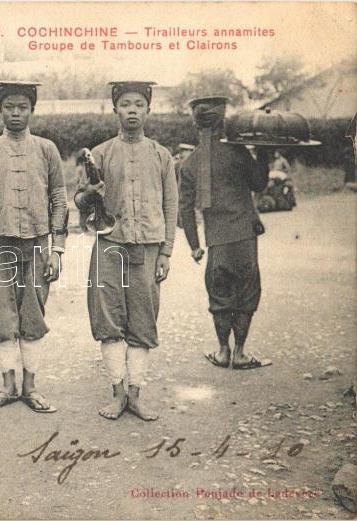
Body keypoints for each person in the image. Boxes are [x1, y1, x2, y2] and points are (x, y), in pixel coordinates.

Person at [75, 81, 177, 422]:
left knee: (144, 320)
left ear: (148, 110)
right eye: (125, 104)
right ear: (115, 109)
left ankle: (136, 394)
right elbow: (80, 201)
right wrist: (89, 192)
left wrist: (166, 253)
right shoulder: (100, 154)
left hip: (148, 248)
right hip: (110, 245)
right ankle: (117, 393)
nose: (132, 110)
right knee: (108, 318)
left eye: (138, 104)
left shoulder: (162, 156)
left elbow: (171, 206)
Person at [0, 80, 68, 414]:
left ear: (32, 110)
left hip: (38, 243)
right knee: (1, 314)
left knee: (33, 312)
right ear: (0, 109)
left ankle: (30, 386)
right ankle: (8, 386)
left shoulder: (47, 150)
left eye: (22, 107)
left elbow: (59, 199)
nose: (15, 113)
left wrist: (57, 248)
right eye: (9, 106)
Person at [178, 96, 271, 370]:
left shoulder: (190, 163)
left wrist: (194, 246)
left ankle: (222, 352)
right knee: (246, 292)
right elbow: (259, 183)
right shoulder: (239, 152)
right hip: (244, 238)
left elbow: (185, 211)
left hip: (216, 241)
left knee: (219, 295)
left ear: (196, 124)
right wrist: (264, 152)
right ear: (223, 120)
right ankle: (240, 353)